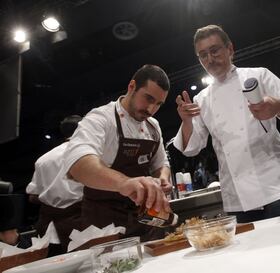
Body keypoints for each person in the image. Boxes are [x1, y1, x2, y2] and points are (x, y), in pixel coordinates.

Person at [173, 25, 280, 223]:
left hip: (277, 188)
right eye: (203, 55)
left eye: (214, 50)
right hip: (237, 198)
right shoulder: (201, 98)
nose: (209, 59)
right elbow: (191, 147)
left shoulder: (259, 76)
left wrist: (277, 106)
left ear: (230, 49)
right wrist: (186, 122)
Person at [64, 64, 172, 241]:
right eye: (148, 99)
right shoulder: (100, 118)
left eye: (158, 104)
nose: (151, 109)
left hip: (145, 221)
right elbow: (79, 164)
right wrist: (124, 183)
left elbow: (161, 164)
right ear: (132, 87)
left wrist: (162, 178)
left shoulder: (153, 127)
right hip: (104, 224)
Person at [26, 115, 83, 252]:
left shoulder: (42, 160)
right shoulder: (90, 156)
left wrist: (52, 195)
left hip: (49, 228)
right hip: (82, 224)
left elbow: (33, 196)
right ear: (83, 130)